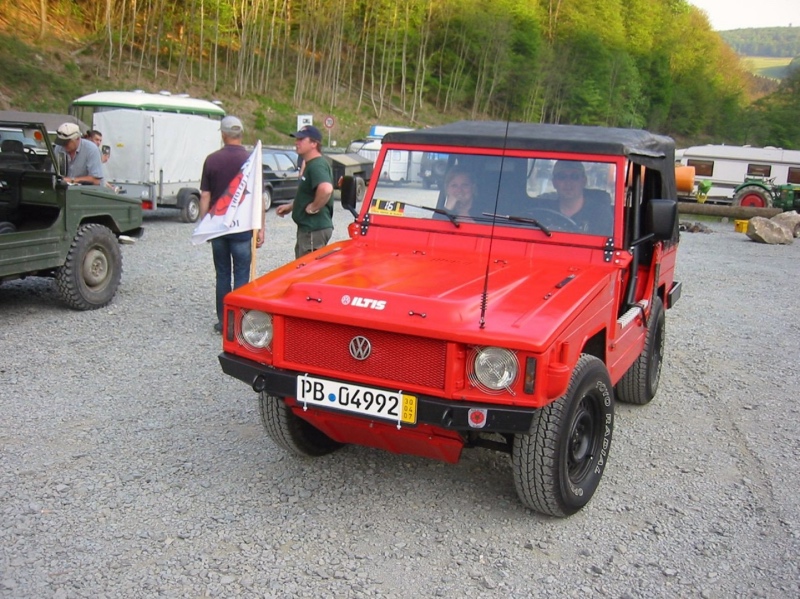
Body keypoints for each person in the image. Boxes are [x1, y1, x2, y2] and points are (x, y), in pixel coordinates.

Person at [199, 116, 266, 333]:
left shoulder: (212, 160)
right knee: (241, 275)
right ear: (241, 134)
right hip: (243, 228)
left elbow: (205, 196)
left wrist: (204, 225)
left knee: (223, 274)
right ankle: (239, 323)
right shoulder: (251, 160)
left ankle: (223, 322)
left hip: (218, 227)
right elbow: (258, 199)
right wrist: (262, 227)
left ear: (223, 134)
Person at [276, 125, 334, 259]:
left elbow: (326, 189)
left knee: (307, 271)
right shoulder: (311, 164)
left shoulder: (317, 165)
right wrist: (292, 206)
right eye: (296, 139)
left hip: (313, 229)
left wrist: (314, 207)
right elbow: (309, 193)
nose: (297, 142)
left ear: (314, 143)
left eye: (301, 139)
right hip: (309, 230)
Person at [541, 160, 613, 235]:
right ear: (554, 182)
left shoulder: (600, 215)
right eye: (562, 177)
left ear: (583, 181)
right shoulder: (544, 212)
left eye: (574, 177)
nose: (568, 183)